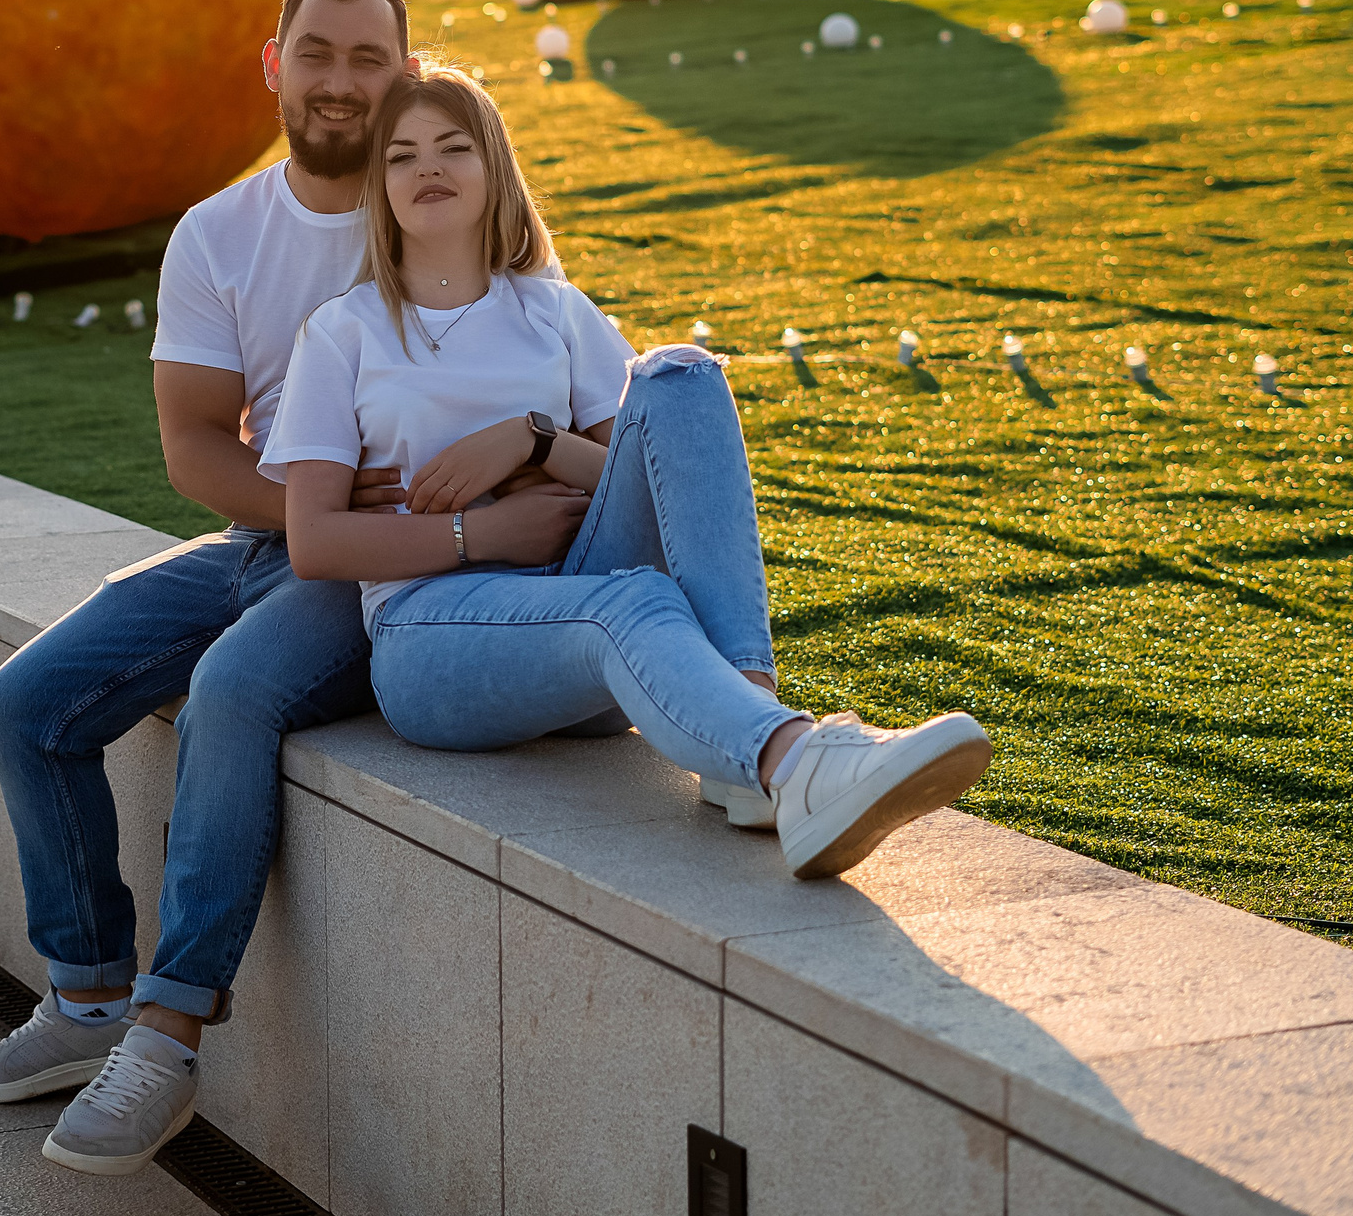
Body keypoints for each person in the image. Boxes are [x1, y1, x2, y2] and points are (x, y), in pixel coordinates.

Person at [0, 0, 589, 1179]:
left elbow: (548, 378)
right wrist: (313, 513)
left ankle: (167, 1033)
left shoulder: (439, 212)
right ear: (274, 64)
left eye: (369, 58)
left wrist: (414, 517)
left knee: (235, 691)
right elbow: (194, 444)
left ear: (407, 74)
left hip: (387, 571)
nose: (341, 82)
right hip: (273, 539)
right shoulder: (219, 233)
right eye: (318, 54)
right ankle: (86, 994)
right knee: (22, 704)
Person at [261, 70, 993, 889]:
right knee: (634, 600)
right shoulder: (342, 333)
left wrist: (535, 442)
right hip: (432, 641)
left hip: (582, 605)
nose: (427, 166)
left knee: (680, 372)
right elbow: (314, 541)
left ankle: (745, 727)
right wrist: (478, 534)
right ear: (382, 186)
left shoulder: (552, 310)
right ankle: (793, 760)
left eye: (453, 147)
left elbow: (650, 479)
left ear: (494, 168)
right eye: (402, 155)